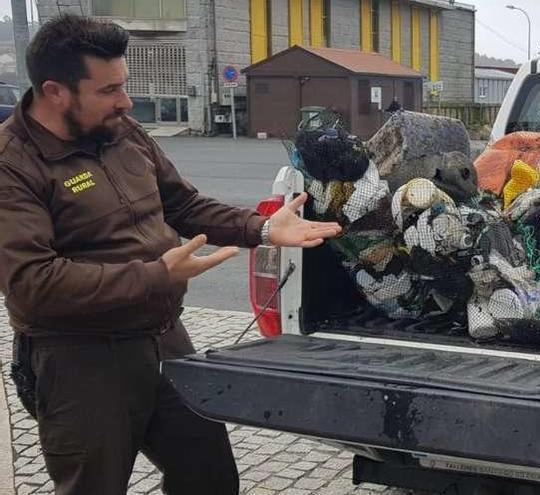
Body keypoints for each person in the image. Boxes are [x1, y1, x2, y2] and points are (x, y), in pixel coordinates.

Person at [0, 14, 341, 495]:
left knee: (209, 475)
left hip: (162, 337)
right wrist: (155, 274)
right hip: (80, 359)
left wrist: (262, 228)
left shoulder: (121, 131)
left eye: (125, 85)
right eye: (108, 90)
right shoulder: (13, 164)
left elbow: (182, 204)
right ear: (55, 91)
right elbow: (32, 284)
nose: (126, 100)